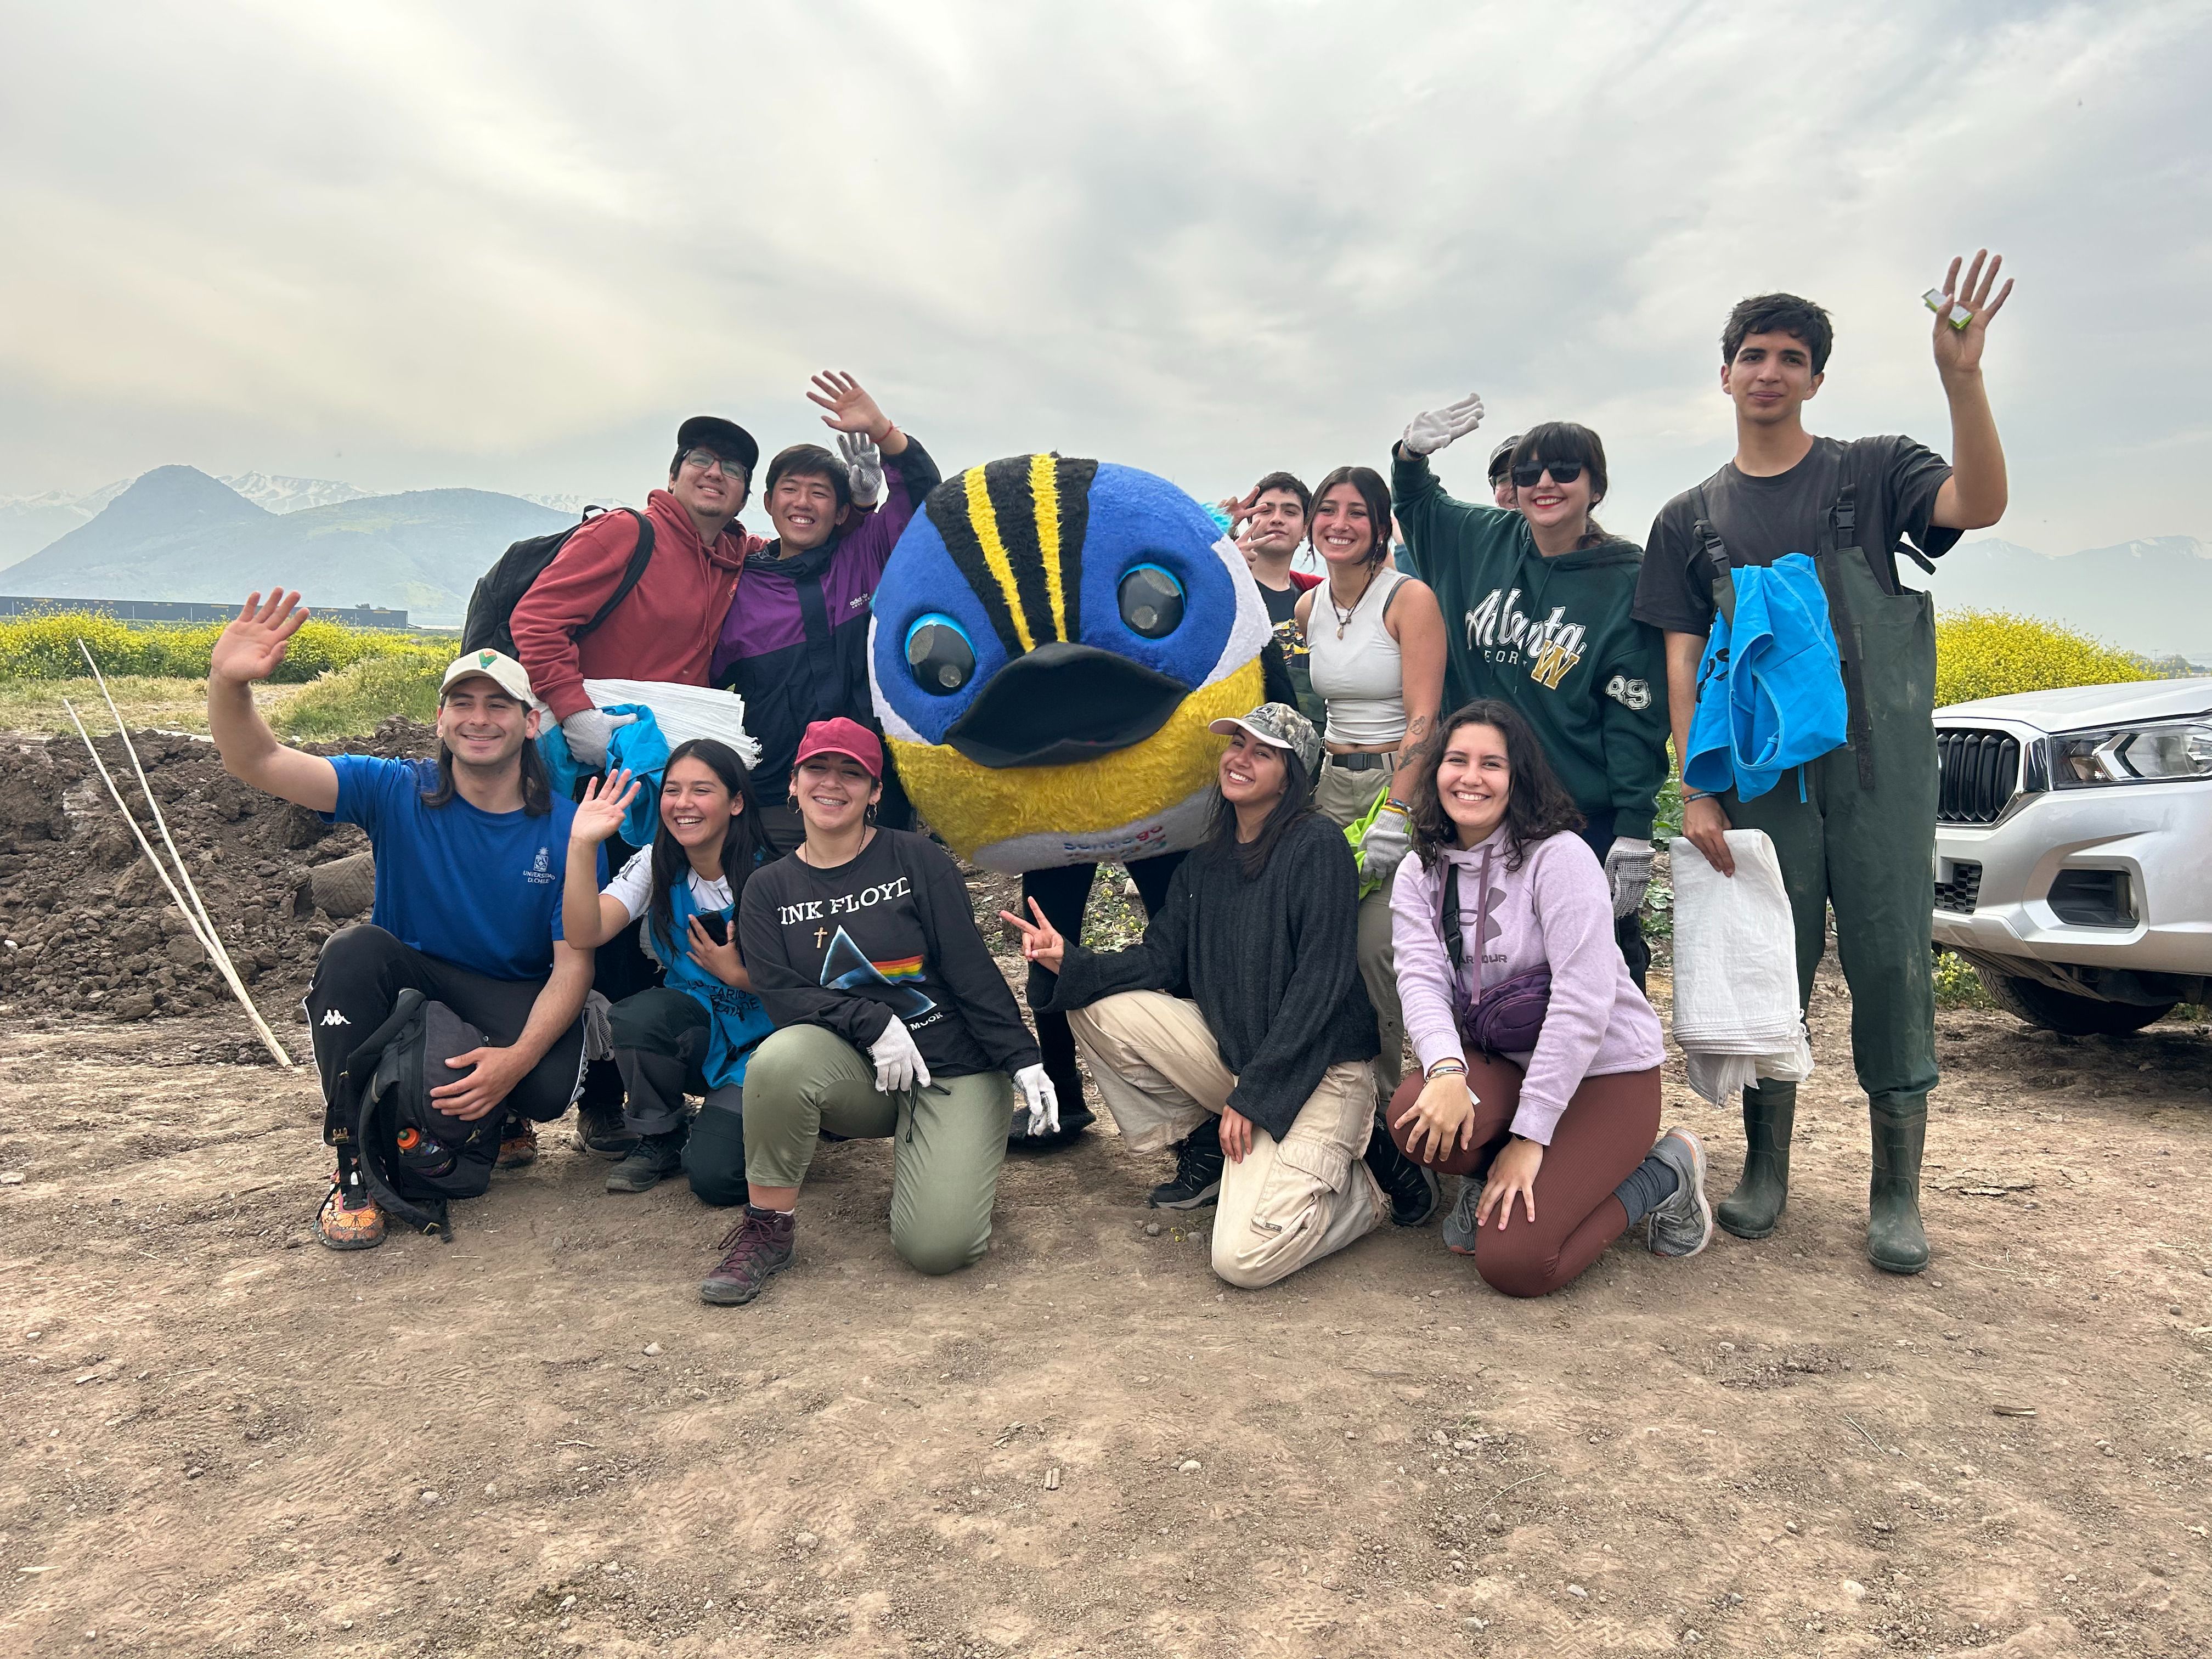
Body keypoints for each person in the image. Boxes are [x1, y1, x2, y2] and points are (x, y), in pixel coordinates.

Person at [1631, 259, 2015, 1275]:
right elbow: (1682, 667)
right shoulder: (1689, 518)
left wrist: (1961, 377)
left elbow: (1977, 502)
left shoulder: (1872, 470)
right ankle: (1765, 1170)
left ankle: (1896, 1193)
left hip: (1881, 772)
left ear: (1813, 379)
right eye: (1751, 356)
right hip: (1759, 779)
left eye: (1790, 359)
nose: (1768, 371)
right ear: (1723, 377)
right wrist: (1697, 787)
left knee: (1892, 964)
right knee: (1770, 967)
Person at [1004, 703, 1443, 1290]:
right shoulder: (1206, 861)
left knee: (1240, 1259)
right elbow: (1160, 958)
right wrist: (1070, 960)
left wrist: (1256, 1098)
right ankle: (1211, 1141)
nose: (1240, 758)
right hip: (1238, 1063)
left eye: (1263, 752)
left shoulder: (1318, 847)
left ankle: (1363, 1192)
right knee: (1090, 1001)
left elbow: (1319, 989)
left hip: (1320, 1072)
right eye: (1237, 744)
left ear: (1293, 776)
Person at [206, 594, 597, 1250]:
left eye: (498, 705)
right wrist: (228, 685)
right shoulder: (395, 789)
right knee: (352, 950)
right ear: (440, 719)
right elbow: (258, 762)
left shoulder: (566, 827)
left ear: (531, 723)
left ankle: (497, 1114)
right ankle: (352, 1166)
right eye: (463, 705)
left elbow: (574, 963)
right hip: (411, 983)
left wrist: (516, 1061)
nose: (480, 719)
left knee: (549, 1087)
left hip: (507, 989)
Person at [701, 719, 1055, 1305]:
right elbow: (781, 993)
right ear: (793, 783)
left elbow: (970, 970)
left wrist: (1023, 1059)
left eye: (852, 773)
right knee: (780, 1059)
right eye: (818, 769)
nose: (832, 784)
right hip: (862, 1070)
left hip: (952, 1066)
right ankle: (768, 1228)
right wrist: (873, 1020)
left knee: (938, 1251)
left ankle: (954, 1153)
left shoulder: (917, 859)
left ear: (876, 791)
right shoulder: (768, 889)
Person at [1385, 700, 1712, 1296]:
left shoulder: (1559, 858)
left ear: (1519, 777)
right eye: (1457, 760)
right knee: (1415, 1113)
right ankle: (1493, 1180)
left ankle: (1665, 1173)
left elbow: (1583, 1003)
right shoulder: (1419, 872)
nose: (1471, 777)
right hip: (1507, 1063)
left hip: (1604, 1074)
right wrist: (1447, 1070)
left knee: (1517, 1264)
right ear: (1436, 771)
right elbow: (1421, 980)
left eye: (1493, 764)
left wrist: (1530, 1137)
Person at [510, 413, 765, 1159]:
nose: (713, 473)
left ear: (744, 493)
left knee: (654, 905)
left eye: (731, 468)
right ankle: (597, 1101)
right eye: (701, 460)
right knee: (593, 910)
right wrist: (576, 712)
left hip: (668, 764)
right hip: (601, 759)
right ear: (678, 471)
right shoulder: (627, 535)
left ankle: (638, 1087)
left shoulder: (733, 557)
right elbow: (537, 620)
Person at [1392, 410, 1671, 990]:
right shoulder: (1482, 540)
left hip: (1578, 812)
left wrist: (1635, 827)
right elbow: (1419, 508)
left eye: (1566, 470)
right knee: (1485, 953)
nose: (1544, 483)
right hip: (1482, 800)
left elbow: (1634, 713)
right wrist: (1410, 458)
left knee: (1599, 961)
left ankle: (1615, 1072)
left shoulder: (1626, 579)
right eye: (1529, 473)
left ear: (1597, 487)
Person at [712, 372, 941, 855]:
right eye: (790, 489)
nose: (802, 502)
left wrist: (884, 431)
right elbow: (698, 681)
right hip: (780, 794)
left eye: (819, 492)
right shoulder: (737, 588)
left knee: (889, 907)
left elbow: (922, 501)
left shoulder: (864, 553)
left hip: (877, 782)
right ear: (770, 503)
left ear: (841, 512)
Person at [560, 740, 775, 1197]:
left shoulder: (775, 874)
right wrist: (581, 844)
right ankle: (662, 1134)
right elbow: (585, 932)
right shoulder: (656, 862)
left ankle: (782, 1120)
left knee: (717, 1180)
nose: (683, 804)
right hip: (703, 1031)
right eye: (673, 790)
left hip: (771, 1046)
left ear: (737, 802)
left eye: (702, 790)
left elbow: (808, 983)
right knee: (637, 1015)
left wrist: (738, 975)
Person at [1293, 464, 1447, 1102]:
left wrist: (1401, 810)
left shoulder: (1408, 599)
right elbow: (1316, 710)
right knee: (1316, 939)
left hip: (1394, 780)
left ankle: (1387, 1107)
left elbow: (1424, 716)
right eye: (1328, 509)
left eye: (1358, 512)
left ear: (1381, 526)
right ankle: (1330, 1089)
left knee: (1376, 951)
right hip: (1331, 785)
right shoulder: (1309, 606)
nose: (1340, 523)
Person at [1221, 472, 1324, 726]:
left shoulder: (1318, 596)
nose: (1277, 519)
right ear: (1249, 522)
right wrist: (1219, 537)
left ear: (1305, 529)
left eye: (1290, 512)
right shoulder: (1226, 587)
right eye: (1266, 511)